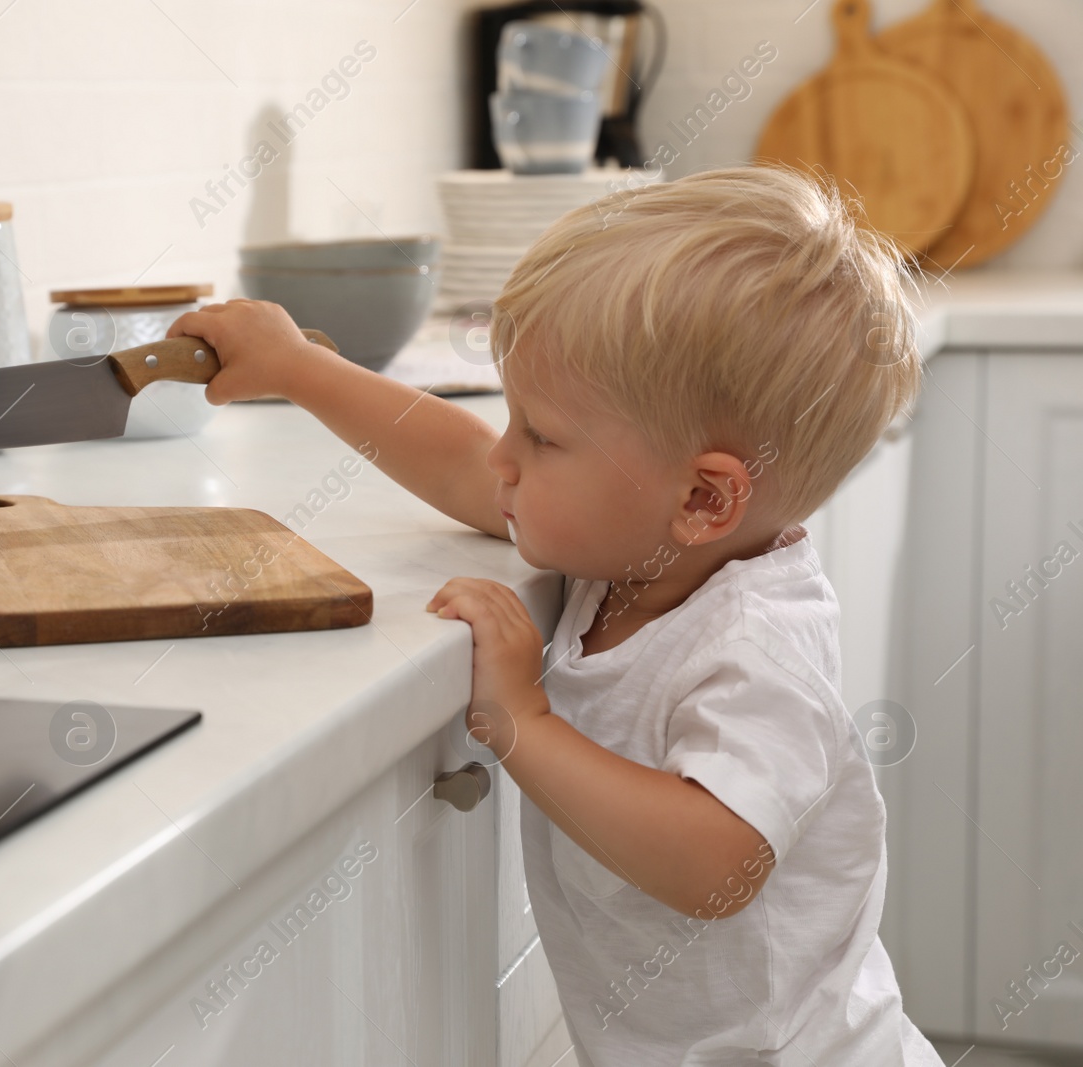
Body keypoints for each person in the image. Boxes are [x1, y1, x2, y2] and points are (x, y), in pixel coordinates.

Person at [167, 163, 943, 1066]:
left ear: (701, 497)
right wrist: (300, 367)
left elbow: (717, 861)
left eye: (540, 434)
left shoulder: (758, 643)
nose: (505, 457)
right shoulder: (636, 546)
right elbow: (462, 463)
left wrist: (523, 721)